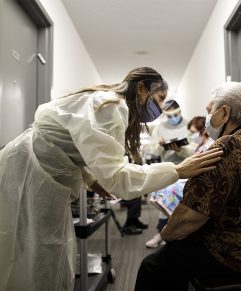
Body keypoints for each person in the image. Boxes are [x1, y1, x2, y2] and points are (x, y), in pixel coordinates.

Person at [0, 67, 223, 291]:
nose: (161, 109)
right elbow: (118, 178)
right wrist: (178, 170)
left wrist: (91, 179)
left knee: (30, 247)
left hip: (36, 165)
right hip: (30, 170)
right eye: (160, 98)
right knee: (37, 251)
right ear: (142, 89)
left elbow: (72, 147)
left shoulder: (107, 101)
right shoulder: (112, 107)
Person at [135, 82, 241, 291]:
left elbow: (187, 219)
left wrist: (166, 235)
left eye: (210, 111)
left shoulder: (227, 146)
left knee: (153, 265)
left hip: (240, 256)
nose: (207, 118)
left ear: (225, 112)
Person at [145, 100, 197, 248]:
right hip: (168, 169)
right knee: (164, 203)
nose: (173, 118)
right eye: (169, 115)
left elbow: (196, 149)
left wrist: (181, 150)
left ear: (180, 111)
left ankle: (183, 237)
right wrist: (161, 146)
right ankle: (161, 233)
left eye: (175, 114)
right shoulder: (160, 127)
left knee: (185, 204)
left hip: (189, 168)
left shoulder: (189, 125)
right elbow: (151, 149)